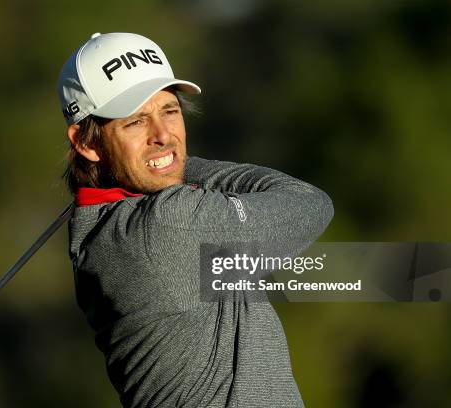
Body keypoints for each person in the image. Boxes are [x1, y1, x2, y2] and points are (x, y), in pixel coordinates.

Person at [57, 32, 333, 408]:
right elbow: (309, 206)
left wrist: (159, 165)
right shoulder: (166, 226)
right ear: (87, 143)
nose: (163, 135)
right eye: (135, 122)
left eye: (169, 111)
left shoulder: (97, 230)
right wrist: (174, 164)